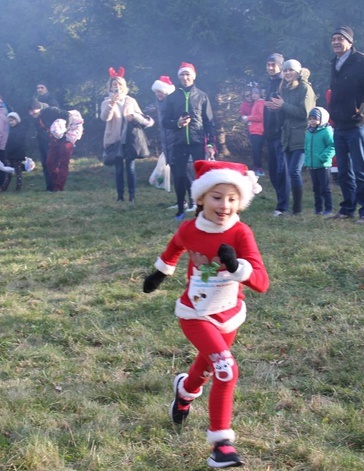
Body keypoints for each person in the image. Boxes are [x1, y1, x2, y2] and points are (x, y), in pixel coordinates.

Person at [142, 160, 269, 469]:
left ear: (241, 201)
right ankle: (221, 445)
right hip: (195, 313)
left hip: (229, 314)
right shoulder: (189, 228)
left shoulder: (241, 232)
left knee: (206, 366)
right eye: (216, 196)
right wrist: (159, 275)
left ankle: (185, 392)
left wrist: (237, 266)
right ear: (200, 198)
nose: (224, 205)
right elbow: (174, 248)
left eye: (232, 198)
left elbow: (261, 282)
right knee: (226, 368)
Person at [326, 26, 364, 224]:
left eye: (340, 39)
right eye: (333, 39)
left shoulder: (361, 60)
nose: (336, 42)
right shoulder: (335, 63)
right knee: (343, 170)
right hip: (339, 125)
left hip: (359, 125)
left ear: (350, 42)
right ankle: (348, 208)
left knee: (360, 169)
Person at [162, 62, 216, 220]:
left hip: (197, 141)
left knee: (200, 177)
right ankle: (180, 209)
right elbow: (165, 121)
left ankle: (201, 209)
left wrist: (210, 143)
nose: (185, 78)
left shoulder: (202, 96)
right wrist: (177, 123)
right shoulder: (172, 98)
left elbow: (209, 122)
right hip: (179, 143)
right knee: (179, 176)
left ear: (193, 76)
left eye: (187, 75)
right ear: (178, 77)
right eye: (182, 75)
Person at [266, 59, 315, 216]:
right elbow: (283, 117)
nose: (287, 73)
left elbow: (305, 113)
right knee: (288, 171)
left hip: (301, 134)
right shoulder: (284, 89)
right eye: (285, 70)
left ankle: (297, 209)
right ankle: (290, 207)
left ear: (298, 72)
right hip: (286, 137)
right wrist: (275, 109)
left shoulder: (305, 88)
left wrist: (283, 105)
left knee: (294, 171)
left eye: (290, 70)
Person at [100, 68, 154, 203]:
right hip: (115, 140)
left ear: (124, 87)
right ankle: (120, 196)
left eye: (119, 85)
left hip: (130, 140)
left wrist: (133, 116)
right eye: (114, 85)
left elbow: (144, 118)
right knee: (118, 169)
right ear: (110, 87)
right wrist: (112, 102)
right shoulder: (106, 102)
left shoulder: (131, 101)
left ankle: (132, 195)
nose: (117, 87)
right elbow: (105, 117)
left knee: (130, 168)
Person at [304, 107, 335, 215]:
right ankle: (318, 209)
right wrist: (307, 162)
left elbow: (332, 145)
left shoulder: (326, 131)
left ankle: (328, 208)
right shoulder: (308, 132)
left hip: (323, 165)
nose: (312, 121)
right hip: (312, 166)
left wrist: (324, 157)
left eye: (315, 118)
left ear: (321, 119)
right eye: (310, 118)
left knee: (325, 188)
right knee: (316, 189)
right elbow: (307, 148)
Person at [263, 53, 285, 201]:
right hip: (269, 131)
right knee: (272, 169)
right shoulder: (269, 83)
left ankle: (283, 203)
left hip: (281, 132)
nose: (270, 67)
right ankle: (280, 199)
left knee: (281, 169)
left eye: (273, 65)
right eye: (268, 64)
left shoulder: (283, 82)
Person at [151, 75, 177, 170]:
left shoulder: (173, 104)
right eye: (157, 92)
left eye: (161, 92)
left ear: (167, 92)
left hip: (175, 140)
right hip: (165, 139)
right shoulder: (158, 105)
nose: (158, 94)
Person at [243, 88, 266, 177]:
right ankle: (256, 168)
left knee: (257, 151)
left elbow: (260, 117)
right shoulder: (256, 103)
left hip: (258, 131)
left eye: (256, 93)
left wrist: (248, 118)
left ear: (260, 94)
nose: (254, 95)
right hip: (254, 130)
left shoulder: (260, 103)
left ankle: (259, 169)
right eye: (253, 93)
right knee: (255, 150)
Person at [46, 119, 74, 191]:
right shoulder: (52, 116)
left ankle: (59, 187)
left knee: (63, 163)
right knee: (50, 162)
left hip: (66, 140)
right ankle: (55, 183)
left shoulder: (69, 116)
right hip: (55, 140)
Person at [5, 112, 28, 191]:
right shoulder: (11, 130)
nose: (11, 122)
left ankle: (18, 187)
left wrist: (10, 149)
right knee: (8, 171)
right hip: (10, 153)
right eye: (9, 121)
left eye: (12, 120)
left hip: (17, 154)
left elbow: (17, 142)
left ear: (17, 120)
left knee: (18, 171)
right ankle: (5, 186)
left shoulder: (20, 129)